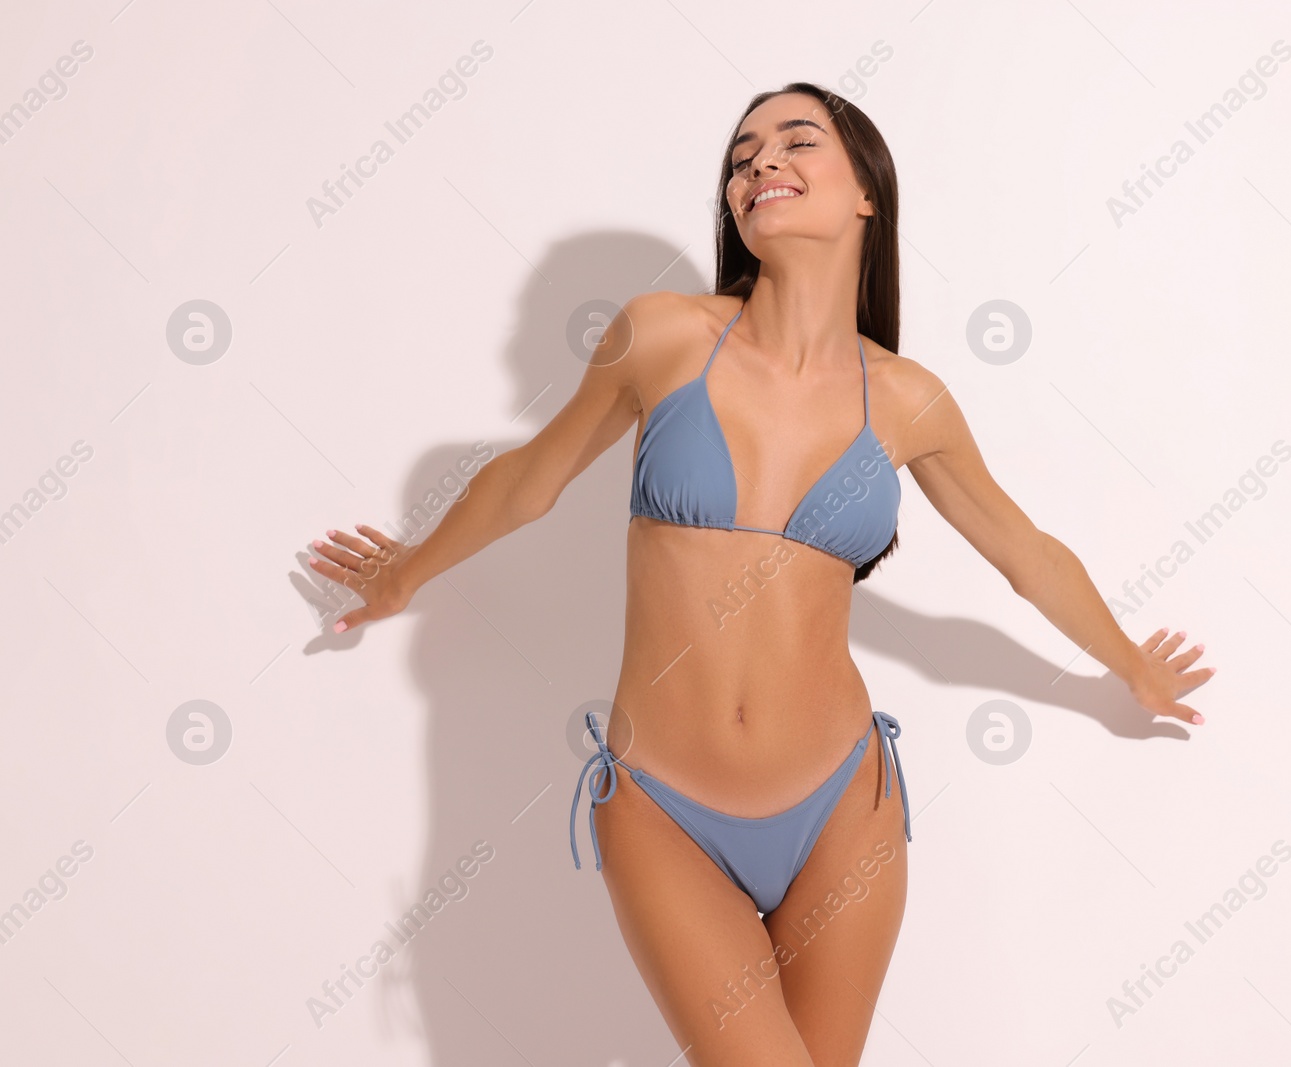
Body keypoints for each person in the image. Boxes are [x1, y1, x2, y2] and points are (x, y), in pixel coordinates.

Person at [308, 81, 1214, 1067]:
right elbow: (529, 484)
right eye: (742, 157)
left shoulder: (908, 399)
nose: (758, 165)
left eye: (795, 141)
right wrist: (407, 571)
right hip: (663, 807)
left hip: (843, 808)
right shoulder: (660, 336)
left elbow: (1022, 549)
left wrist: (1130, 663)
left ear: (866, 190)